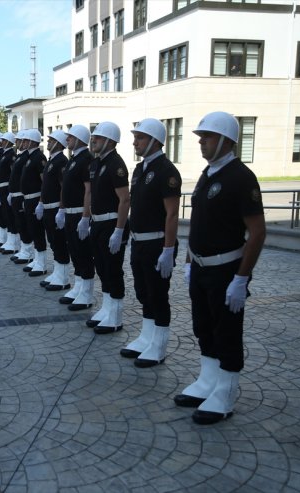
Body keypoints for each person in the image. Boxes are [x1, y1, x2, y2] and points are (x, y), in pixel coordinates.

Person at [174, 111, 266, 425]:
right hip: (201, 268)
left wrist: (241, 279)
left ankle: (225, 393)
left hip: (226, 270)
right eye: (201, 137)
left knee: (227, 332)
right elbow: (198, 224)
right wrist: (188, 262)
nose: (201, 142)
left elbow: (257, 232)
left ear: (226, 140)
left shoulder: (241, 177)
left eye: (208, 137)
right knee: (204, 327)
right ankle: (208, 381)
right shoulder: (208, 174)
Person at [120, 118, 181, 368]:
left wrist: (168, 250)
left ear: (155, 141)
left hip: (157, 244)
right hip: (139, 242)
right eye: (135, 137)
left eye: (140, 138)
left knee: (158, 295)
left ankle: (159, 345)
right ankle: (147, 337)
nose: (135, 142)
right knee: (143, 293)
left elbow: (172, 214)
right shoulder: (139, 169)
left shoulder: (167, 171)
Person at [81, 122, 130, 334]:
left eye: (98, 138)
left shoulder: (115, 164)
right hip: (98, 222)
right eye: (93, 138)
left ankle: (116, 316)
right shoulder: (96, 164)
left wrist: (119, 230)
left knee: (113, 269)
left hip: (111, 223)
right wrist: (87, 219)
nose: (93, 141)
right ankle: (107, 308)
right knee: (101, 268)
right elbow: (91, 194)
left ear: (110, 141)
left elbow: (124, 200)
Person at [58, 125, 96, 310]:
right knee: (74, 252)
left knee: (84, 253)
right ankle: (79, 287)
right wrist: (62, 209)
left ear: (80, 139)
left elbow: (88, 190)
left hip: (80, 213)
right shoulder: (74, 159)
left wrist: (85, 216)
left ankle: (87, 294)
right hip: (71, 213)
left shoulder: (86, 160)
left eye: (70, 137)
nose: (68, 140)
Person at [38, 130, 71, 290]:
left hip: (56, 208)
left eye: (51, 140)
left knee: (59, 242)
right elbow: (45, 185)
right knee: (53, 242)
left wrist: (62, 209)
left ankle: (63, 277)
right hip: (48, 208)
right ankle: (57, 272)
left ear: (58, 143)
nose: (49, 142)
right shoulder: (52, 160)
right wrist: (41, 202)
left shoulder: (61, 161)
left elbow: (64, 187)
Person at [20, 129, 48, 277]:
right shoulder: (30, 157)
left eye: (25, 140)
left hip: (36, 198)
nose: (23, 143)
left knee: (37, 231)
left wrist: (41, 202)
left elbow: (45, 182)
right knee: (32, 229)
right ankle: (37, 259)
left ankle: (42, 263)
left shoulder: (39, 157)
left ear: (32, 141)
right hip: (29, 198)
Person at [0, 132, 19, 254]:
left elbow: (12, 175)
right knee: (6, 215)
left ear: (10, 142)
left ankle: (14, 243)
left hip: (7, 188)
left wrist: (10, 191)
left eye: (4, 140)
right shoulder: (5, 154)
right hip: (2, 188)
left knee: (10, 215)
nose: (2, 142)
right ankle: (10, 241)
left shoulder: (11, 155)